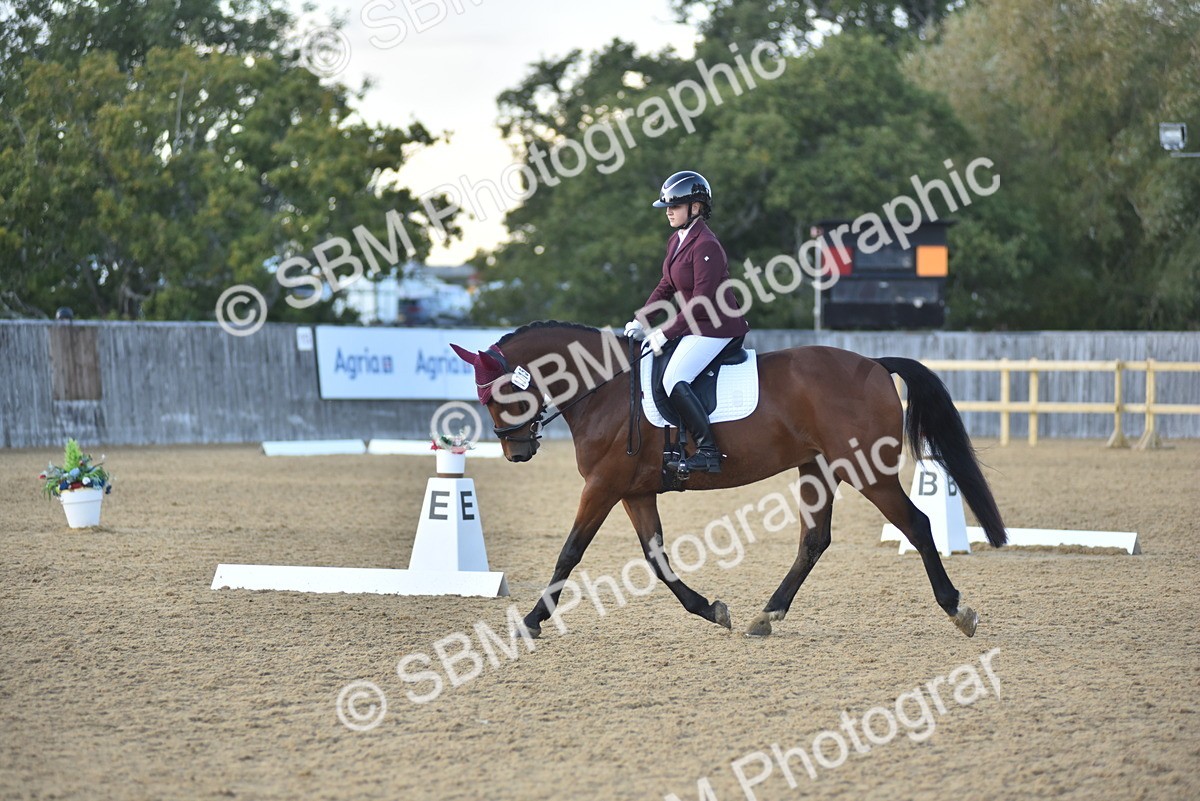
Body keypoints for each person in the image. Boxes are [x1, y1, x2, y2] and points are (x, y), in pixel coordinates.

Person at [624, 170, 749, 474]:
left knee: (673, 379)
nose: (668, 211)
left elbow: (701, 301)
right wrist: (642, 319)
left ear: (695, 207)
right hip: (697, 325)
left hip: (718, 328)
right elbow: (666, 286)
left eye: (675, 206)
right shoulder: (677, 240)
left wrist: (665, 332)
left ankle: (708, 451)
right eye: (667, 206)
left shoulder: (706, 245)